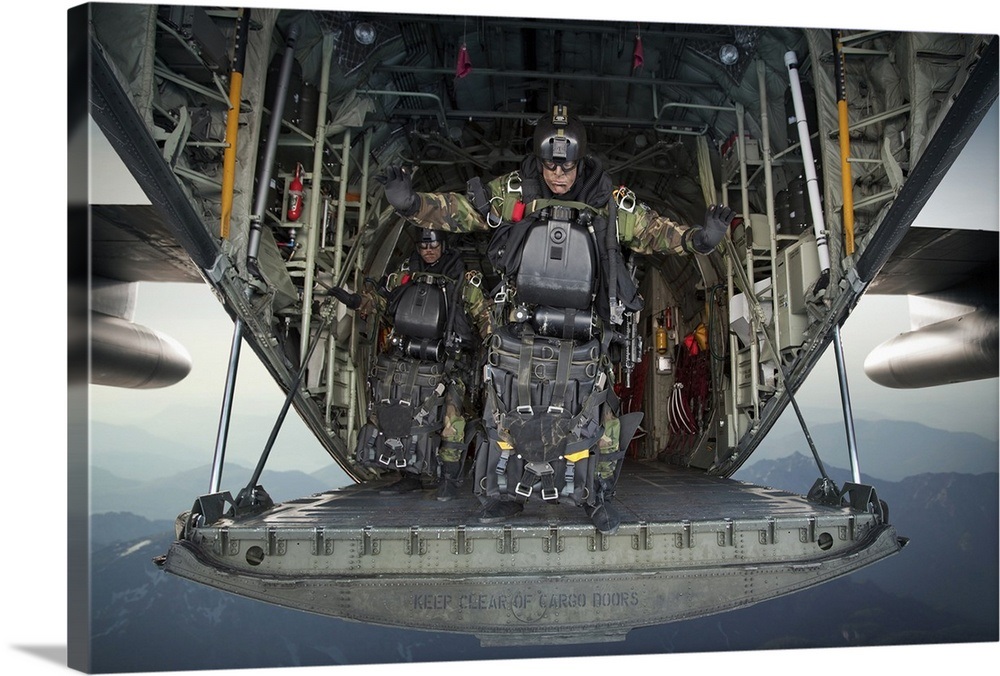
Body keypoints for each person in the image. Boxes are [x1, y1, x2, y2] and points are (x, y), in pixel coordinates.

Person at [380, 104, 737, 532]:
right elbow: (460, 211)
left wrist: (698, 240)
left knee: (594, 415)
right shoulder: (517, 191)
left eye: (567, 166)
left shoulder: (607, 201)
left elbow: (652, 230)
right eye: (551, 165)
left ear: (579, 160)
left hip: (584, 328)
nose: (559, 175)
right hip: (521, 327)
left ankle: (597, 498)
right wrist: (413, 203)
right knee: (505, 410)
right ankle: (502, 495)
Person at [332, 227, 491, 501]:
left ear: (444, 244)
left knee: (451, 419)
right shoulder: (406, 275)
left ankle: (449, 480)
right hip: (407, 358)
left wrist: (493, 344)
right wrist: (359, 301)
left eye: (433, 245)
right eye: (422, 246)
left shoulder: (464, 281)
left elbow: (484, 316)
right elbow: (384, 302)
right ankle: (409, 475)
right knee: (398, 410)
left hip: (449, 362)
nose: (428, 250)